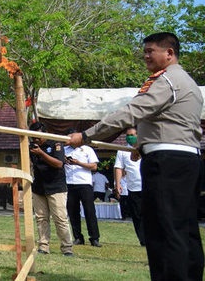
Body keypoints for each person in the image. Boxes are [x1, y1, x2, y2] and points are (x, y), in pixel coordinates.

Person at [67, 32, 203, 280]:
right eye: (145, 51)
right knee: (182, 228)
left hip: (168, 163)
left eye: (151, 51)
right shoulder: (187, 82)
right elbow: (173, 123)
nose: (146, 56)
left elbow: (131, 112)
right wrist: (144, 143)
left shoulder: (168, 81)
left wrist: (86, 136)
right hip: (182, 159)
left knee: (165, 229)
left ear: (169, 53)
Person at [28, 121, 74, 256]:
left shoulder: (56, 144)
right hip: (39, 187)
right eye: (33, 137)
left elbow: (59, 163)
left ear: (45, 134)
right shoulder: (31, 147)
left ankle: (67, 248)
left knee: (60, 218)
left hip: (56, 187)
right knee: (41, 218)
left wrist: (41, 153)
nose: (36, 139)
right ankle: (43, 246)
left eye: (38, 137)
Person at [63, 133, 100, 247]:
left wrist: (78, 162)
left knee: (89, 211)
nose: (68, 139)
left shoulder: (87, 149)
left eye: (71, 137)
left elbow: (94, 167)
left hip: (84, 183)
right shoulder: (64, 150)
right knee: (73, 212)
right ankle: (78, 237)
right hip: (69, 183)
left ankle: (94, 238)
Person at [114, 127, 144, 246]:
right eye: (128, 135)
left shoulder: (145, 147)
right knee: (137, 215)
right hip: (133, 187)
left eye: (132, 135)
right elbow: (118, 167)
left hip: (148, 186)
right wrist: (118, 183)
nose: (130, 137)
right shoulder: (122, 150)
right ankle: (143, 240)